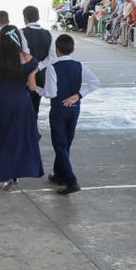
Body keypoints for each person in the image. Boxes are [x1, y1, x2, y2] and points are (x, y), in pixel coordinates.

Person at [0, 29, 43, 189]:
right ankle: (16, 173)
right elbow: (32, 86)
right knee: (19, 138)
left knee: (3, 138)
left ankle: (6, 174)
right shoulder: (29, 60)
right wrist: (34, 72)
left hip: (2, 103)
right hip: (22, 103)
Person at [42, 34, 100, 195]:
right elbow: (95, 82)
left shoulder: (52, 67)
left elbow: (51, 93)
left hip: (59, 109)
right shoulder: (79, 65)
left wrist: (36, 89)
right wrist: (78, 95)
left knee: (59, 145)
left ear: (57, 50)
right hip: (74, 108)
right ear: (73, 49)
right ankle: (58, 173)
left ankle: (71, 180)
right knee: (66, 142)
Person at [20, 5, 52, 116]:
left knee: (24, 104)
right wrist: (39, 67)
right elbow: (51, 56)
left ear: (25, 18)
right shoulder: (48, 34)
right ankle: (34, 129)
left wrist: (32, 67)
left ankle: (27, 130)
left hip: (26, 73)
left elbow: (25, 52)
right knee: (36, 103)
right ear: (38, 17)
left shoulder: (22, 32)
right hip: (41, 74)